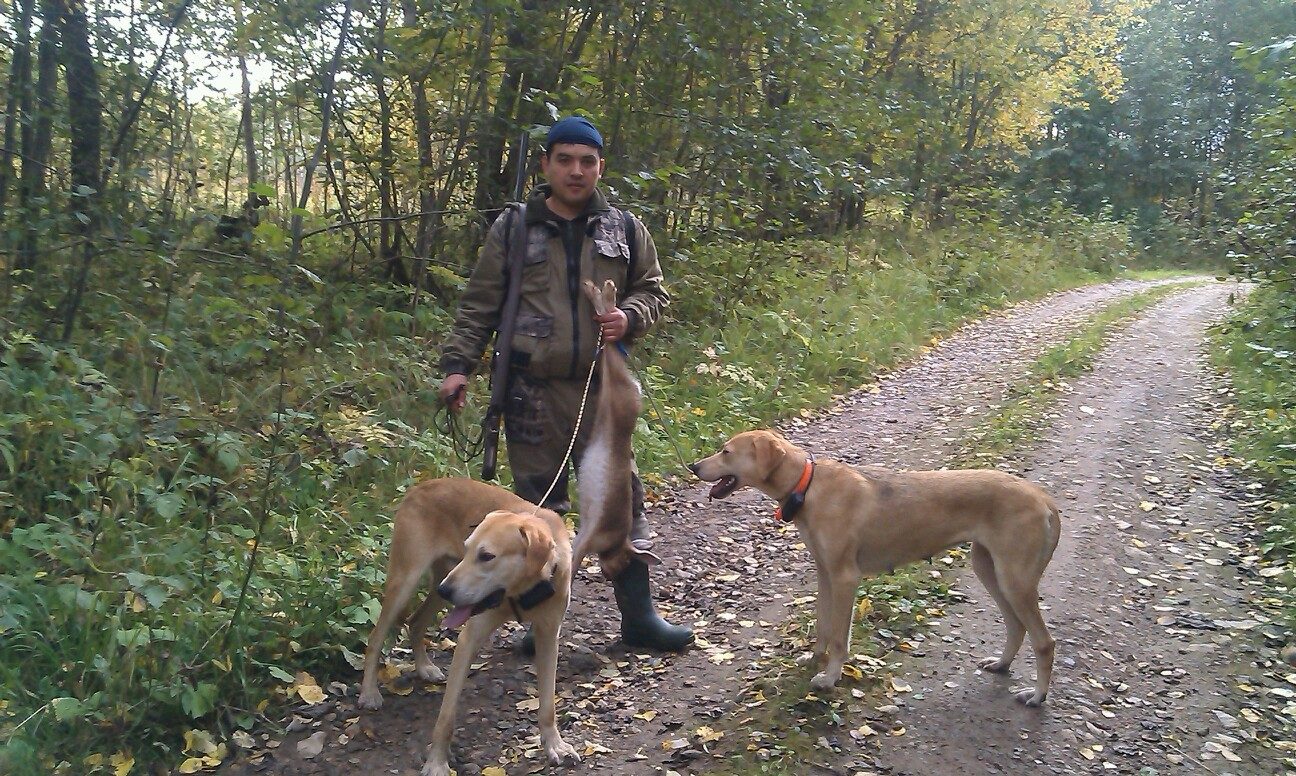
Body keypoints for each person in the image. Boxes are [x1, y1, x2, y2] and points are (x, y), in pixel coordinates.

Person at [437, 115, 693, 652]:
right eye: (565, 160)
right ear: (546, 165)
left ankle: (639, 618)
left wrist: (629, 317)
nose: (576, 171)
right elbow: (479, 304)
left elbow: (653, 291)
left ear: (600, 167)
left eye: (587, 161)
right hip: (531, 391)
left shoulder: (625, 228)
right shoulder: (514, 228)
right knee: (535, 513)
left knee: (621, 501)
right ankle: (538, 624)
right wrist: (459, 365)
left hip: (603, 392)